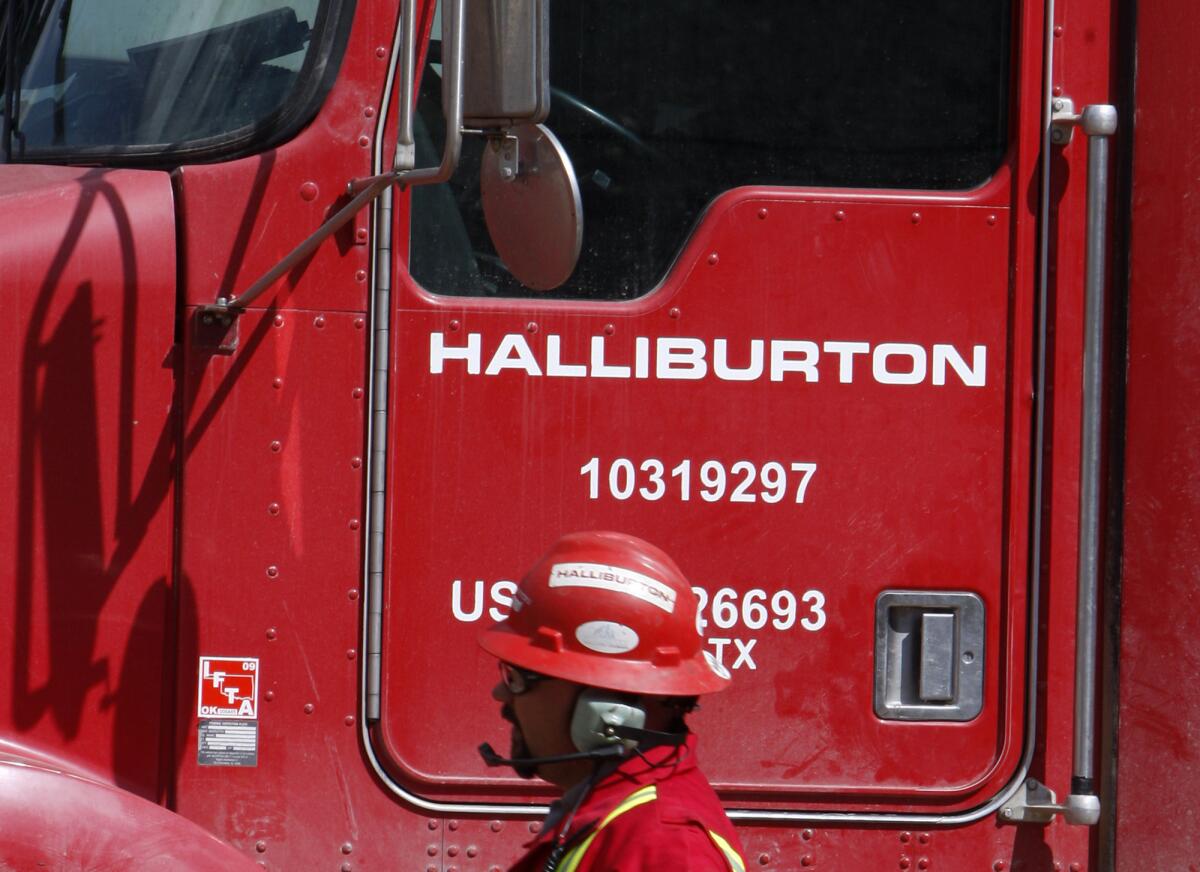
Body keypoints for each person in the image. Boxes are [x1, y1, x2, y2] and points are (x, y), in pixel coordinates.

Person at [478, 531, 746, 872]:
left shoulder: (667, 849)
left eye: (516, 676)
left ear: (608, 711)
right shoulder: (616, 822)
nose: (500, 695)